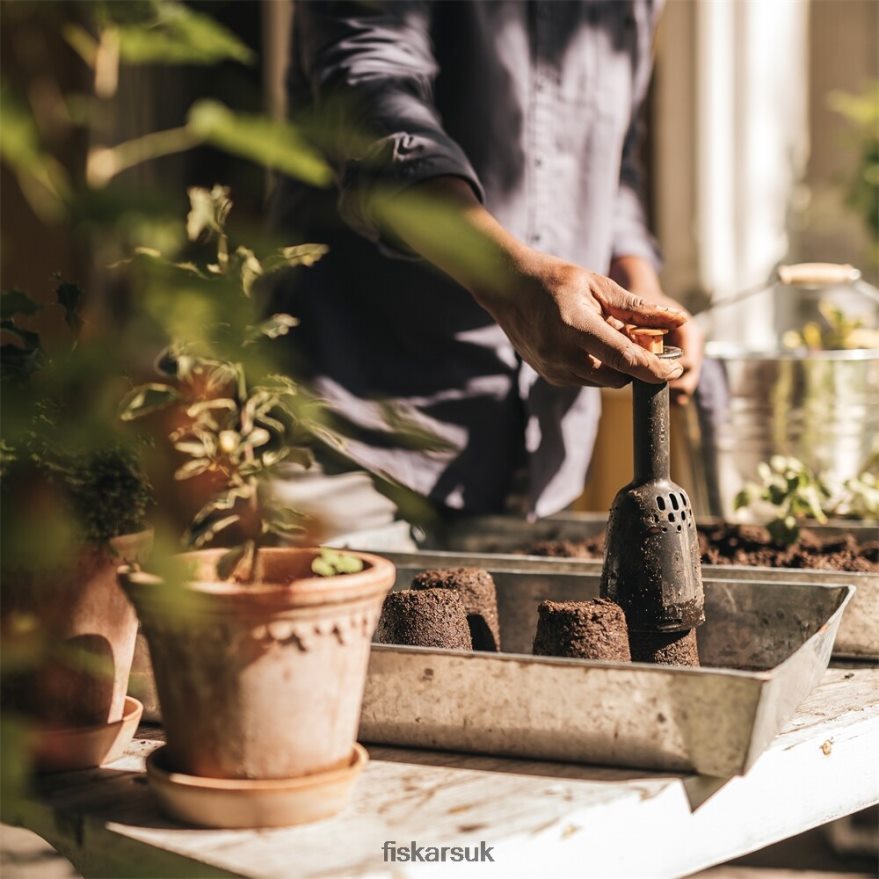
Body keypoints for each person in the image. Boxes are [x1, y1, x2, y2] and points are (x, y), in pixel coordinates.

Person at [268, 0, 703, 525]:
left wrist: (638, 283)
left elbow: (614, 164)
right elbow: (372, 111)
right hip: (355, 436)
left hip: (542, 457)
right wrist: (511, 284)